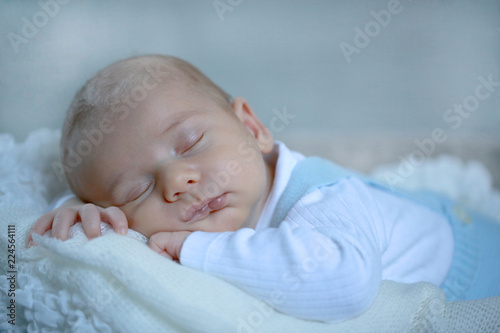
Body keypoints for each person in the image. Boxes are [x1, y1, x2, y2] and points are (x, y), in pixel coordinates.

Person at [28, 54, 500, 322]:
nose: (177, 182)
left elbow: (345, 283)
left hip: (479, 277)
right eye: (134, 191)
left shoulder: (323, 197)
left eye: (191, 143)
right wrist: (73, 208)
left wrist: (193, 250)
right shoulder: (221, 202)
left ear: (252, 128)